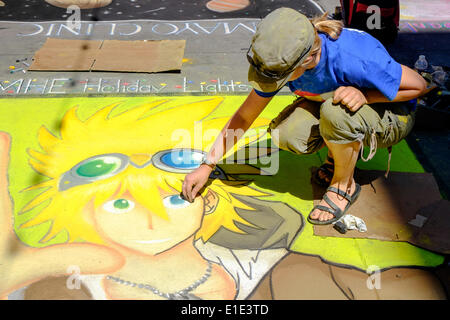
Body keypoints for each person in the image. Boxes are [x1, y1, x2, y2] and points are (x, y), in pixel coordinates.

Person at [182, 7, 428, 225]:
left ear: (309, 58)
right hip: (334, 103)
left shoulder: (354, 57)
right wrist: (207, 165)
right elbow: (244, 117)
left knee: (336, 113)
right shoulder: (284, 55)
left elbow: (418, 85)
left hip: (392, 113)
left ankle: (343, 185)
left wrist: (365, 95)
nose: (274, 82)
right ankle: (336, 156)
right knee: (288, 133)